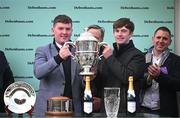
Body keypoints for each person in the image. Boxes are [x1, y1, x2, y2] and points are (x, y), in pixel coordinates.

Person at [33, 14, 83, 117]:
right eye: (60, 28)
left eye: (68, 29)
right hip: (48, 111)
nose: (64, 32)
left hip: (74, 111)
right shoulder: (42, 50)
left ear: (72, 31)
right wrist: (58, 58)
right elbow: (38, 73)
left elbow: (81, 81)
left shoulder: (79, 51)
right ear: (53, 30)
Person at [95, 18, 145, 113]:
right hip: (106, 108)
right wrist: (93, 74)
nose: (119, 34)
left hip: (127, 110)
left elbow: (127, 77)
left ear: (131, 34)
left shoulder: (138, 55)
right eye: (117, 31)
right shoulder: (108, 54)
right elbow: (102, 81)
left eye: (124, 31)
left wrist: (110, 58)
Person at [140, 26, 180, 117]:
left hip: (166, 111)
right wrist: (149, 78)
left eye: (165, 38)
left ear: (170, 42)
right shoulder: (142, 57)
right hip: (142, 109)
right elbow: (136, 82)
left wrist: (159, 76)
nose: (161, 41)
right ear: (153, 39)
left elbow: (178, 85)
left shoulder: (176, 60)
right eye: (158, 37)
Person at [86, 24, 105, 112]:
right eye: (89, 37)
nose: (91, 40)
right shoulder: (77, 54)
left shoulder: (109, 56)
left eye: (95, 38)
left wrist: (103, 102)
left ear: (101, 40)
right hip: (80, 105)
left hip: (102, 108)